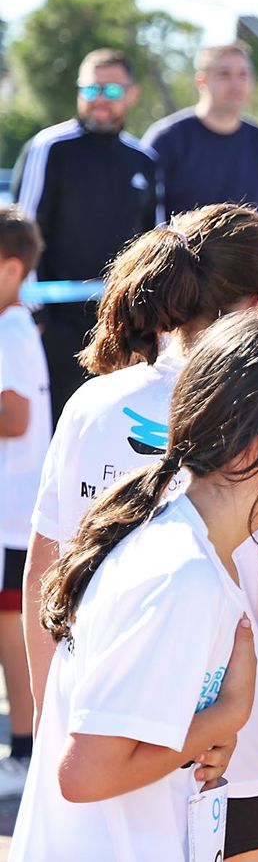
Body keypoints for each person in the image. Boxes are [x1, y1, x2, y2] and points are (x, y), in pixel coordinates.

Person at [23, 204, 258, 862]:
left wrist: (57, 716)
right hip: (230, 754)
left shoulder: (92, 404)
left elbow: (47, 578)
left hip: (108, 745)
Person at [12, 47, 161, 422]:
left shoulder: (143, 159)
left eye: (111, 91)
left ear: (131, 94)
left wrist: (145, 320)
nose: (99, 100)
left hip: (120, 329)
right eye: (90, 89)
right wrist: (37, 316)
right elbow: (20, 233)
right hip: (54, 329)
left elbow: (153, 246)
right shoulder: (50, 148)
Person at [0, 209, 47, 799]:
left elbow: (15, 417)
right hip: (12, 509)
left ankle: (26, 748)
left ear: (12, 268)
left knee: (13, 626)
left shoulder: (10, 330)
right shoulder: (13, 324)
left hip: (13, 512)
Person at [146, 43, 258, 225]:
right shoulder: (166, 139)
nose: (236, 84)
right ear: (201, 81)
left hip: (244, 253)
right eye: (224, 74)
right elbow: (143, 218)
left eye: (243, 75)